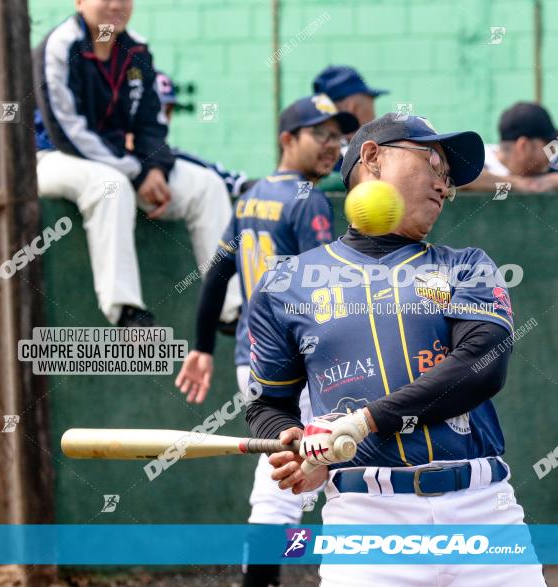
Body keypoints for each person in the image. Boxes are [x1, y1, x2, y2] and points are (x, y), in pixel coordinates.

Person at [247, 113, 546, 586]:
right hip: (367, 526)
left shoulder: (466, 267)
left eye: (449, 179)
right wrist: (298, 447)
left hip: (483, 516)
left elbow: (481, 367)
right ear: (372, 157)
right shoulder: (285, 284)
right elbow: (268, 403)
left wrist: (363, 422)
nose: (445, 187)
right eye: (434, 165)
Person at [174, 94, 358, 587]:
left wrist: (202, 347)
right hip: (295, 364)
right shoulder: (308, 198)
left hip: (251, 360)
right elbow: (326, 287)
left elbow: (216, 275)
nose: (330, 145)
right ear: (287, 139)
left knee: (280, 483)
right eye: (318, 134)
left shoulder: (253, 195)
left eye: (336, 135)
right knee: (301, 482)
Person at [33, 0, 240, 326]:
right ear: (80, 2)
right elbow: (67, 132)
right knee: (110, 185)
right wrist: (137, 172)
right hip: (52, 158)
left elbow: (150, 123)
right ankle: (125, 309)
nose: (117, 5)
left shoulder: (136, 49)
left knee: (207, 186)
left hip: (122, 162)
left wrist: (155, 168)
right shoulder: (60, 46)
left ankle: (230, 309)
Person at [128, 71, 255, 199]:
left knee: (210, 184)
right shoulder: (114, 154)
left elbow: (227, 179)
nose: (165, 118)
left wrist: (242, 185)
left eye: (168, 110)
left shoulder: (168, 156)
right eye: (159, 110)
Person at [463, 102, 558, 193]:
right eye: (548, 145)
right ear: (524, 146)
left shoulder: (548, 165)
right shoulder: (478, 159)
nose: (554, 151)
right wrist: (516, 184)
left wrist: (545, 182)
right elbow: (459, 178)